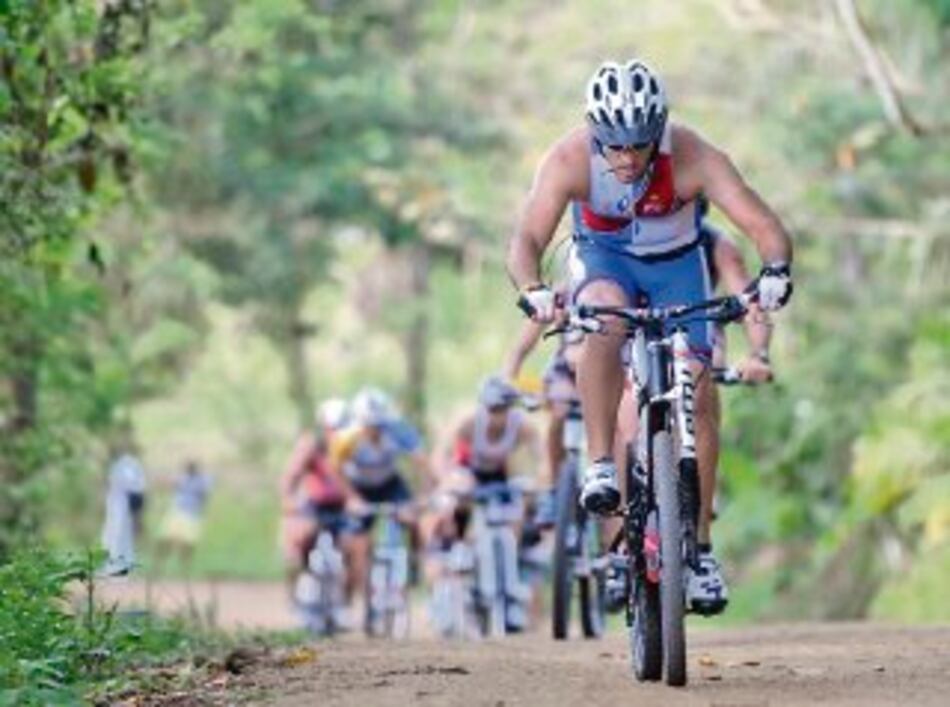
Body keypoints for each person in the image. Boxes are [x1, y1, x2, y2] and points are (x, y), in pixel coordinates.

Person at [506, 59, 793, 611]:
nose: (628, 158)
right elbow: (527, 235)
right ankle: (600, 464)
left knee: (700, 388)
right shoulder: (569, 158)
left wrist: (776, 269)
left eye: (640, 145)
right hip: (605, 262)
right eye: (615, 146)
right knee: (605, 320)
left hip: (677, 270)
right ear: (595, 132)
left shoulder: (693, 155)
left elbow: (761, 224)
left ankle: (702, 554)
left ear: (659, 128)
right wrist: (532, 286)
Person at [426, 375, 543, 630]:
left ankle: (512, 574)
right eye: (491, 410)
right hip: (468, 473)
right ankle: (461, 549)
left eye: (502, 410)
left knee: (519, 507)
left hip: (499, 477)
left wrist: (537, 483)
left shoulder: (522, 426)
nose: (496, 417)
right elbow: (439, 455)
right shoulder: (468, 422)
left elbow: (542, 459)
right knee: (461, 495)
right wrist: (449, 480)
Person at [328, 387, 428, 605]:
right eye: (369, 426)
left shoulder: (397, 430)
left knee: (412, 518)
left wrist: (422, 495)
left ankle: (414, 565)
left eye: (379, 425)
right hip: (359, 488)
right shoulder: (346, 438)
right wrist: (351, 498)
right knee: (358, 541)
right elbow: (335, 470)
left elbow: (422, 461)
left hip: (390, 485)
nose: (375, 431)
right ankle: (363, 589)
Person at [279, 397, 355, 604]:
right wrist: (288, 501)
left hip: (340, 507)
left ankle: (343, 602)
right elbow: (290, 476)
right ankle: (295, 590)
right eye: (332, 428)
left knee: (353, 547)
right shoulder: (310, 446)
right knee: (298, 543)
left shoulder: (350, 448)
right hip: (312, 506)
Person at [156, 460, 213, 572]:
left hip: (192, 514)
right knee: (167, 539)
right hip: (178, 512)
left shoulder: (202, 480)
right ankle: (159, 566)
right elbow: (168, 483)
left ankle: (184, 568)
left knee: (188, 543)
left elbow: (205, 495)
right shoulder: (183, 478)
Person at [100, 443, 147, 576]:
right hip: (115, 503)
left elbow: (135, 486)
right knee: (111, 534)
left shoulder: (128, 464)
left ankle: (119, 567)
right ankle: (112, 566)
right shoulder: (117, 464)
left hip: (122, 504)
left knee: (119, 534)